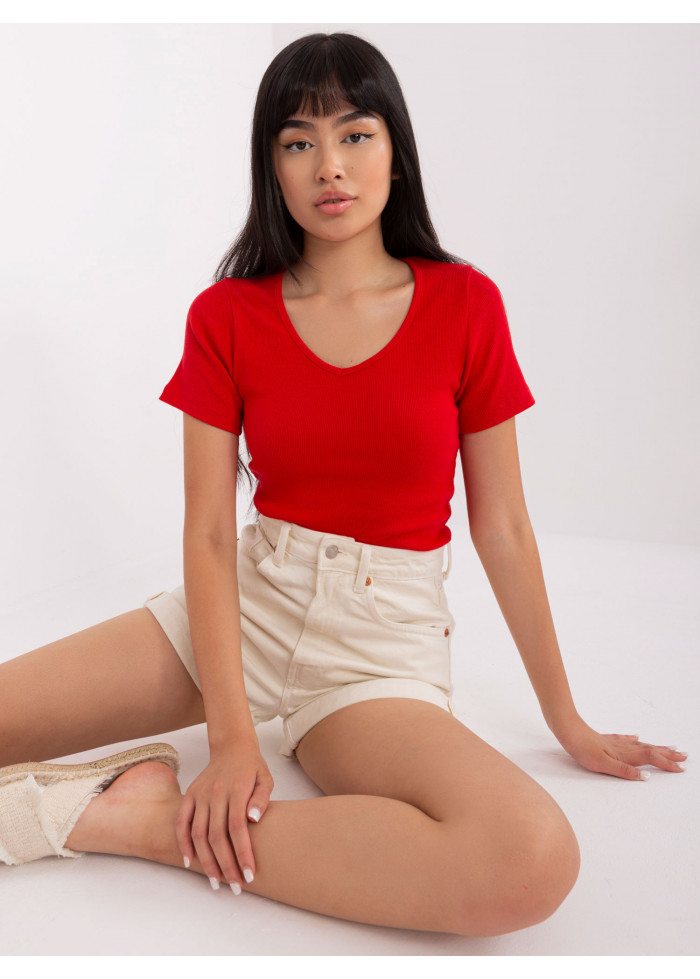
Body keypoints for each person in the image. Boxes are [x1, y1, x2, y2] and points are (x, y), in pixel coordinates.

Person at [0, 32, 686, 938]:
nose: (330, 165)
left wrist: (567, 718)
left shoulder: (466, 305)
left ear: (396, 152)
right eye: (299, 141)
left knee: (528, 857)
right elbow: (207, 533)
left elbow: (505, 526)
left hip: (379, 647)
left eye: (355, 134)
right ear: (272, 168)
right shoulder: (226, 315)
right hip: (251, 601)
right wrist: (232, 738)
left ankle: (137, 818)